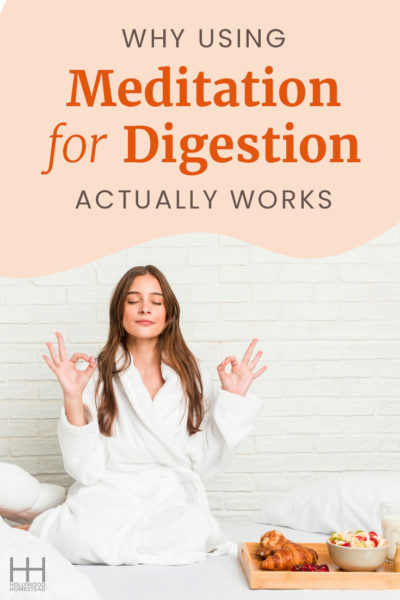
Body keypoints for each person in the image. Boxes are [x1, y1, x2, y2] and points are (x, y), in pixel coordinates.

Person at [25, 265, 266, 565]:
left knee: (194, 527)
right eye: (133, 300)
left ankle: (64, 531)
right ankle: (49, 527)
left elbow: (206, 462)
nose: (144, 309)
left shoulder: (194, 375)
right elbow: (84, 469)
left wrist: (234, 398)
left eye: (156, 301)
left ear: (168, 313)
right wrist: (73, 396)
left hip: (169, 497)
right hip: (110, 492)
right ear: (119, 311)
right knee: (90, 524)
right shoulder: (97, 374)